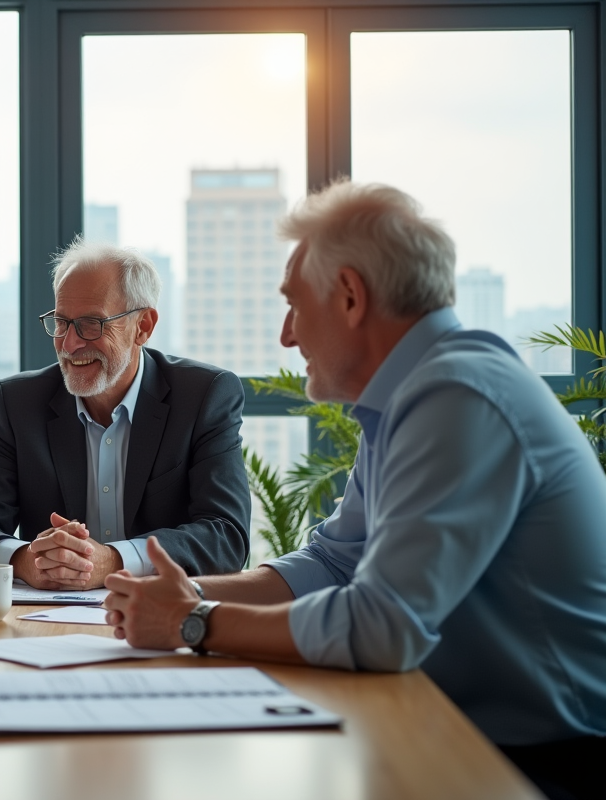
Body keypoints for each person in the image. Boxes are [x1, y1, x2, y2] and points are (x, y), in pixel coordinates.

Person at [103, 181, 606, 800]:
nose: (286, 336)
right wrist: (177, 595)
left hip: (551, 764)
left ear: (349, 296)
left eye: (293, 304)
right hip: (456, 731)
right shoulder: (412, 394)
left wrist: (194, 623)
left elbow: (381, 626)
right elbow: (333, 563)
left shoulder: (458, 395)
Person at [0, 239, 250, 590]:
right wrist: (25, 559)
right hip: (46, 628)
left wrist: (115, 561)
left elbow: (226, 536)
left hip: (158, 618)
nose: (70, 344)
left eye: (91, 324)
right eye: (61, 322)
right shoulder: (18, 403)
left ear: (143, 326)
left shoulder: (204, 396)